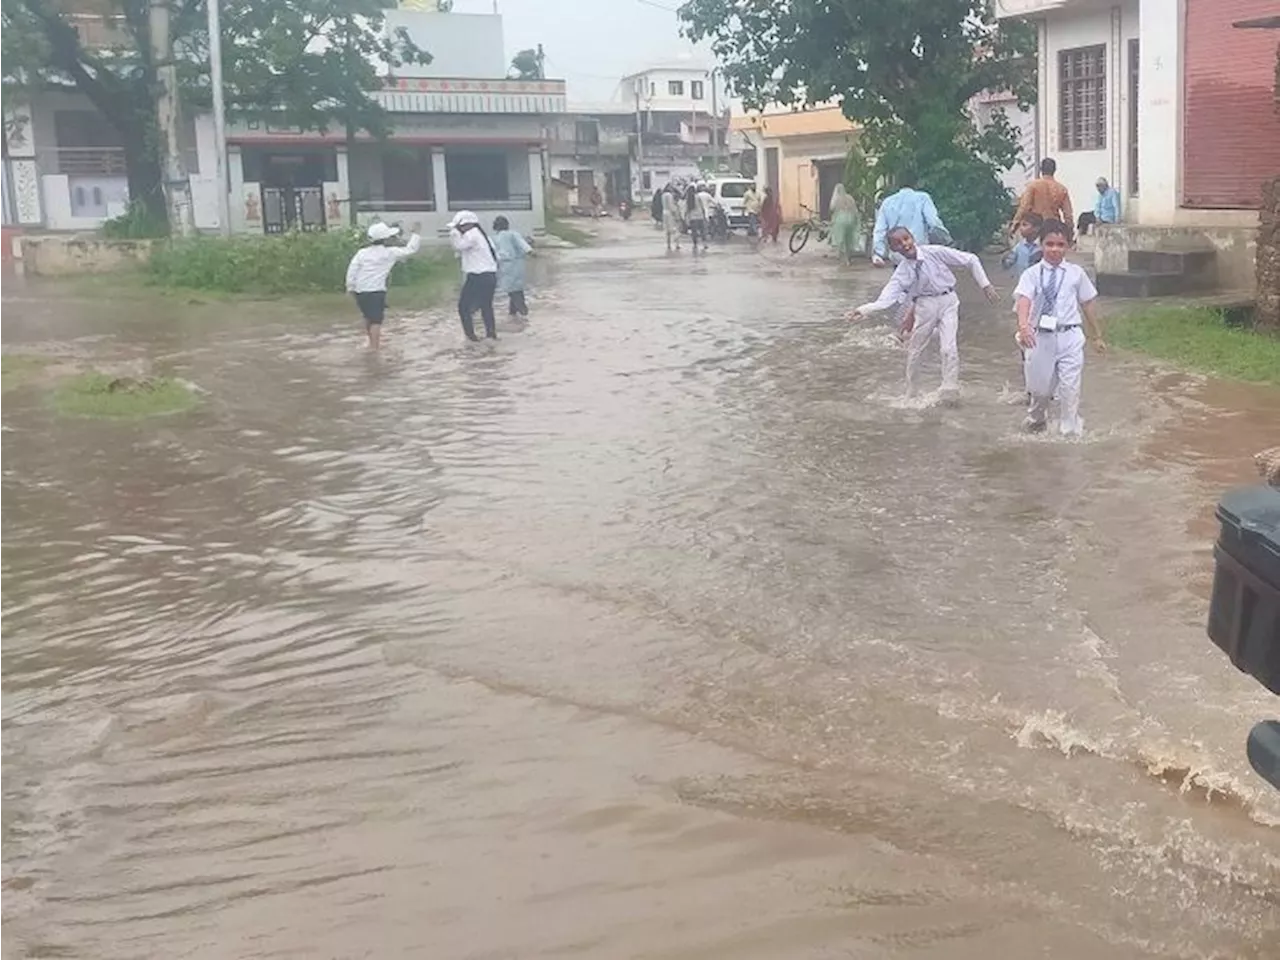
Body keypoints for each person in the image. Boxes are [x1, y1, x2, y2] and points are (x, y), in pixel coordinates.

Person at [848, 227, 1001, 401]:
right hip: (925, 306)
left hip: (948, 300)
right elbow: (886, 299)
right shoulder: (902, 272)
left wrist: (985, 285)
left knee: (948, 347)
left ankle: (949, 388)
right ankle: (912, 393)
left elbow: (971, 259)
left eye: (906, 239)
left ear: (912, 238)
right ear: (893, 250)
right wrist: (863, 309)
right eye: (898, 243)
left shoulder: (934, 252)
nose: (905, 245)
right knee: (915, 350)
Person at [1015, 219, 1107, 436]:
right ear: (1041, 244)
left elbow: (1087, 304)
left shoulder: (1076, 273)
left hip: (1070, 334)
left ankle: (1070, 429)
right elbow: (1024, 301)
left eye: (1060, 244)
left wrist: (1097, 335)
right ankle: (1037, 418)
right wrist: (1024, 326)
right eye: (1049, 244)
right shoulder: (1031, 275)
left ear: (1068, 246)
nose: (1055, 249)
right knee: (1040, 390)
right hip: (1039, 337)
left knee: (1069, 387)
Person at [344, 220, 422, 351]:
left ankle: (369, 342)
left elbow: (352, 270)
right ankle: (374, 348)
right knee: (376, 320)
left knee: (367, 316)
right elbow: (411, 249)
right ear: (386, 239)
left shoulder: (361, 253)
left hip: (360, 291)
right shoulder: (389, 253)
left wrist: (350, 288)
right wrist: (416, 234)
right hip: (376, 291)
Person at [872, 177, 951, 266]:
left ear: (897, 185)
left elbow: (880, 230)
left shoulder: (887, 202)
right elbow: (934, 222)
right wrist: (946, 241)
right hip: (919, 253)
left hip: (898, 256)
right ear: (916, 183)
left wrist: (879, 254)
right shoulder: (923, 198)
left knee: (900, 279)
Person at [449, 210, 499, 342]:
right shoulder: (483, 236)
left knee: (463, 306)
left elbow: (458, 246)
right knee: (486, 306)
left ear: (467, 225)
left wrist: (453, 233)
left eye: (459, 227)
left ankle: (471, 338)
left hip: (478, 276)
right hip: (490, 275)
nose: (459, 230)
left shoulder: (471, 234)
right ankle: (491, 335)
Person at [1012, 158, 1074, 239]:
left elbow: (1024, 206)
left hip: (1036, 226)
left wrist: (1015, 223)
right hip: (1054, 226)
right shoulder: (1062, 189)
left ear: (1041, 169)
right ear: (1054, 170)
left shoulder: (1033, 186)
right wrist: (1069, 230)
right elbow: (1068, 214)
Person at [493, 215, 533, 321]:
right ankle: (514, 312)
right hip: (516, 264)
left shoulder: (496, 237)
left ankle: (521, 311)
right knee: (516, 288)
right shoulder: (513, 234)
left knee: (511, 289)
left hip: (504, 265)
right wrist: (530, 251)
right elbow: (523, 245)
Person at [829, 184, 862, 264]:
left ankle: (843, 259)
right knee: (849, 239)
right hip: (851, 219)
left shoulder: (836, 199)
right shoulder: (850, 198)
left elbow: (832, 208)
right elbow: (855, 210)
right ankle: (849, 257)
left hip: (840, 220)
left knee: (840, 240)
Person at [684, 183, 707, 253]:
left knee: (694, 232)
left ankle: (695, 244)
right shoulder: (698, 197)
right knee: (702, 231)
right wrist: (704, 214)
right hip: (700, 216)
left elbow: (687, 209)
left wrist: (686, 217)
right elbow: (702, 206)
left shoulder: (688, 199)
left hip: (692, 217)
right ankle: (704, 244)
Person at [661, 187, 683, 252]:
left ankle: (668, 244)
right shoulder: (669, 195)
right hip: (670, 214)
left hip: (664, 213)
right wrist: (675, 214)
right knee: (675, 229)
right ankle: (677, 244)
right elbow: (671, 206)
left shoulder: (663, 195)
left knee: (667, 230)